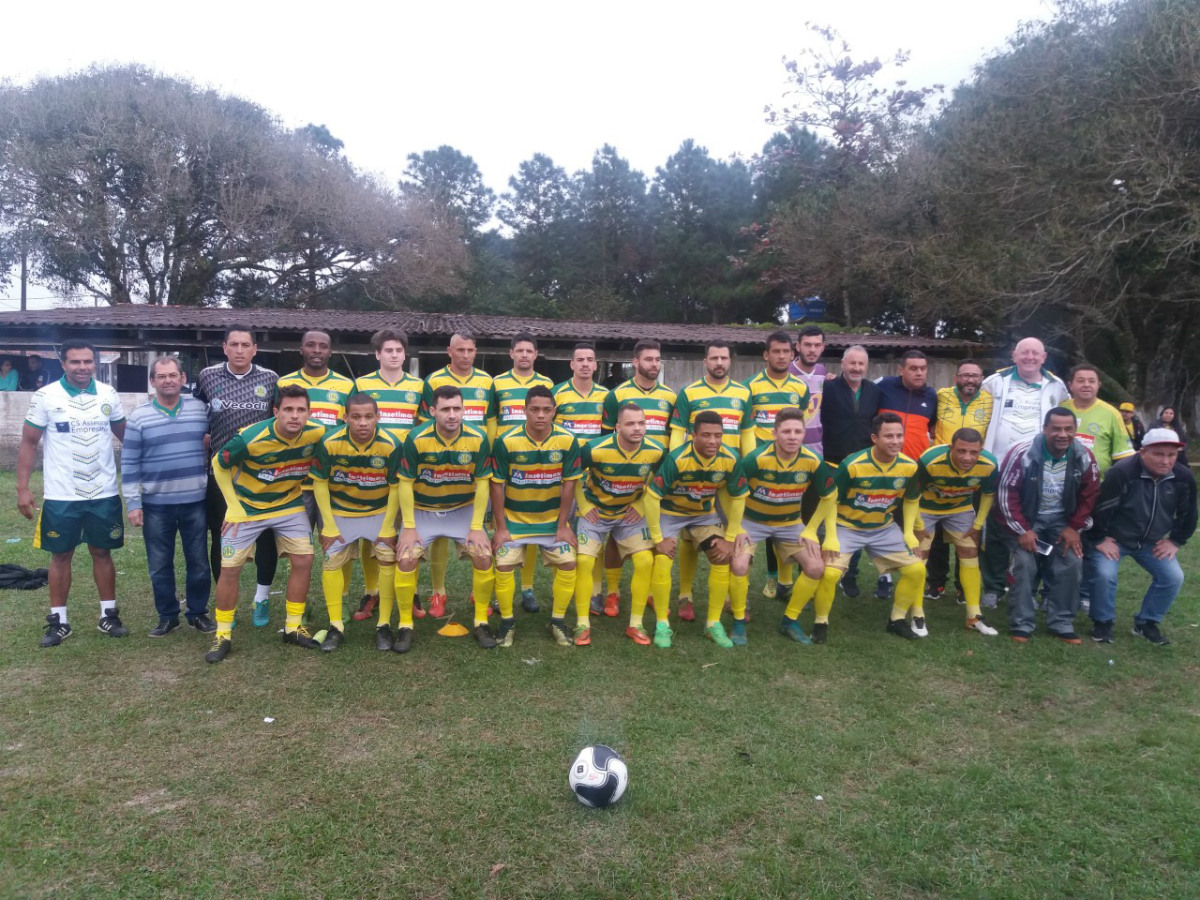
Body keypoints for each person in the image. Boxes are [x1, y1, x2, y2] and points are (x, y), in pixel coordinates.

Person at [17, 340, 128, 647]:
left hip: (102, 491)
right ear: (63, 363)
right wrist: (23, 488)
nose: (82, 367)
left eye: (88, 362)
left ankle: (109, 616)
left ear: (96, 363)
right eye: (75, 362)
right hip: (62, 494)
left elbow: (128, 437)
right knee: (61, 555)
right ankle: (59, 622)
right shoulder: (46, 396)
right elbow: (28, 443)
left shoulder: (108, 394)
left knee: (101, 552)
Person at [205, 385, 327, 663]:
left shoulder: (317, 433)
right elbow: (218, 464)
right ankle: (222, 634)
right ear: (276, 412)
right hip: (247, 507)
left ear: (309, 413)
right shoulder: (250, 438)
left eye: (301, 410)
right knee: (230, 568)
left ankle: (293, 627)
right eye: (288, 410)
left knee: (304, 560)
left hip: (288, 503)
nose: (295, 416)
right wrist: (233, 508)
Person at [394, 386, 497, 650]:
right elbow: (404, 483)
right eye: (445, 409)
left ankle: (480, 622)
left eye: (457, 409)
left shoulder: (477, 437)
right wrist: (408, 527)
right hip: (423, 509)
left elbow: (483, 482)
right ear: (432, 411)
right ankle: (405, 625)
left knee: (483, 555)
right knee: (405, 560)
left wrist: (476, 526)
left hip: (461, 509)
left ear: (464, 409)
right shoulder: (416, 438)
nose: (452, 415)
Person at [810, 413, 926, 642]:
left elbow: (912, 499)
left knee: (917, 570)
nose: (895, 441)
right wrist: (831, 535)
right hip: (846, 526)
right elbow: (831, 499)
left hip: (883, 528)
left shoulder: (910, 466)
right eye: (889, 436)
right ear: (874, 438)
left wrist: (909, 532)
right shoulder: (852, 464)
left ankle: (897, 620)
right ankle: (820, 622)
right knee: (831, 573)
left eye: (899, 436)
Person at [121, 356, 214, 636]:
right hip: (155, 505)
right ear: (152, 382)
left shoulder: (201, 411)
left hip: (195, 502)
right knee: (160, 565)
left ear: (183, 378)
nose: (168, 380)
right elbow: (129, 462)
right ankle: (167, 615)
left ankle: (198, 613)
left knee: (198, 561)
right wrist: (133, 503)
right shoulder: (139, 417)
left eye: (173, 375)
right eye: (161, 376)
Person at [728, 409, 837, 645]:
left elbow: (830, 495)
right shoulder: (756, 458)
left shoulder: (812, 460)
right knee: (738, 564)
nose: (792, 436)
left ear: (804, 434)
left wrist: (810, 529)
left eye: (798, 431)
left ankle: (790, 620)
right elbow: (732, 491)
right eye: (786, 431)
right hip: (752, 522)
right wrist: (735, 527)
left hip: (790, 524)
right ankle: (738, 621)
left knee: (817, 567)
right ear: (774, 433)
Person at [195, 325, 279, 626]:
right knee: (223, 535)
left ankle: (261, 598)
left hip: (261, 474)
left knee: (267, 536)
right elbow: (196, 410)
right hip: (222, 473)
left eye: (246, 344)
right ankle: (224, 597)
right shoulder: (207, 376)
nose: (240, 350)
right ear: (225, 347)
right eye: (234, 344)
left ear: (255, 349)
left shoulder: (270, 379)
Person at [995, 407, 1100, 644]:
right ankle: (1021, 624)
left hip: (1063, 522)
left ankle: (1061, 622)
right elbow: (1005, 494)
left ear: (1075, 430)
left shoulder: (1084, 456)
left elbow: (1090, 495)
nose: (1062, 434)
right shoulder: (1023, 453)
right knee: (1024, 564)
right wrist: (1023, 530)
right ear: (1045, 429)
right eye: (1056, 429)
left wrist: (1074, 527)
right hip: (1027, 520)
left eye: (1068, 429)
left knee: (1072, 562)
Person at [645, 411, 748, 649]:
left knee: (722, 557)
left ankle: (713, 624)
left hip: (703, 516)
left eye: (718, 436)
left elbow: (739, 498)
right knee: (663, 557)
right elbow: (651, 498)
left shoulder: (731, 458)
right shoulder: (677, 458)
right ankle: (662, 623)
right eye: (706, 435)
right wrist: (658, 538)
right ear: (693, 436)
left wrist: (730, 538)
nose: (713, 441)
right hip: (670, 514)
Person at [978, 337, 1069, 607]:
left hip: (1038, 471)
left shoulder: (1057, 386)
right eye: (1024, 352)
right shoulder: (994, 382)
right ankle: (993, 587)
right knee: (993, 530)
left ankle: (1034, 587)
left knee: (1036, 528)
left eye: (1035, 353)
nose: (1030, 357)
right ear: (1014, 355)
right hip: (996, 468)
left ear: (1044, 357)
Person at [1086, 428, 1197, 646]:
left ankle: (1146, 623)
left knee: (1173, 577)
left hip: (1152, 543)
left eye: (1171, 455)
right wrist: (1099, 538)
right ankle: (1103, 622)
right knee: (1104, 573)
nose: (1166, 461)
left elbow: (1189, 513)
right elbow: (1101, 508)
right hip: (1115, 539)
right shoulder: (1123, 472)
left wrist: (1176, 541)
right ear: (1142, 452)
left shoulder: (1183, 476)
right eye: (1159, 454)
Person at [668, 341, 753, 622]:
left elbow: (748, 433)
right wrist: (676, 467)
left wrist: (749, 467)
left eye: (724, 358)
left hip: (729, 476)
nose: (719, 362)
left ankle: (732, 595)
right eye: (714, 357)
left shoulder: (743, 392)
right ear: (705, 361)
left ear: (730, 361)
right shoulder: (689, 392)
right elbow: (678, 433)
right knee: (690, 538)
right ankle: (686, 595)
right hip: (696, 474)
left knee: (734, 533)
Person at [490, 385, 581, 648]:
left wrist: (563, 525)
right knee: (504, 564)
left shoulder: (567, 440)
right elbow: (497, 485)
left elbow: (569, 484)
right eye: (535, 410)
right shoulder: (507, 441)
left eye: (547, 410)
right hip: (515, 520)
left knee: (568, 562)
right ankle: (507, 622)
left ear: (554, 411)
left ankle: (557, 621)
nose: (541, 415)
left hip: (551, 521)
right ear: (524, 411)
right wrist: (500, 527)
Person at [310, 393, 401, 652]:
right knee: (331, 563)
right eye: (356, 417)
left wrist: (387, 527)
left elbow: (395, 487)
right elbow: (320, 483)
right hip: (341, 513)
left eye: (369, 417)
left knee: (387, 560)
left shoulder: (391, 443)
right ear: (345, 417)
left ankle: (383, 624)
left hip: (379, 512)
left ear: (378, 417)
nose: (363, 423)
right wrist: (328, 524)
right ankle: (336, 625)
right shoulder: (330, 442)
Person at [573, 403, 665, 646]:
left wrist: (642, 505)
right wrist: (583, 506)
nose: (637, 428)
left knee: (646, 560)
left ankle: (636, 624)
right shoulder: (594, 449)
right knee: (583, 561)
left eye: (641, 423)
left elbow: (659, 481)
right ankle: (582, 623)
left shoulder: (656, 451)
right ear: (617, 427)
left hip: (628, 514)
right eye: (630, 423)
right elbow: (570, 475)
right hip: (595, 512)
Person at [350, 328, 425, 620]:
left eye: (399, 351)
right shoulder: (362, 384)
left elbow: (423, 426)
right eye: (388, 351)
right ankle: (372, 592)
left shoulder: (418, 386)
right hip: (371, 470)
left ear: (404, 354)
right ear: (378, 354)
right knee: (373, 534)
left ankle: (412, 590)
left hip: (406, 473)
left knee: (407, 532)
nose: (394, 355)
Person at [422, 330, 497, 615]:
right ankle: (438, 592)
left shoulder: (486, 380)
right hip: (441, 461)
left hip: (474, 461)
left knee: (479, 530)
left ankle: (479, 594)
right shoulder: (434, 380)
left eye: (470, 350)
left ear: (475, 352)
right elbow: (425, 419)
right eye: (460, 350)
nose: (466, 355)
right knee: (439, 531)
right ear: (449, 352)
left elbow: (490, 419)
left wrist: (487, 452)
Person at [601, 339, 678, 616]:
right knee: (615, 536)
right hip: (624, 477)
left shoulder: (670, 396)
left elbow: (674, 438)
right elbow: (607, 437)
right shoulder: (617, 395)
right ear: (635, 362)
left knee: (656, 533)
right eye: (648, 359)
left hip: (657, 479)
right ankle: (612, 592)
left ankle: (648, 591)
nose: (654, 364)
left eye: (657, 359)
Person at [745, 330, 811, 603]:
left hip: (789, 467)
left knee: (785, 518)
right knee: (755, 521)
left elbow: (801, 426)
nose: (782, 356)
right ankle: (756, 582)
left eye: (787, 352)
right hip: (760, 467)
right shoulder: (750, 387)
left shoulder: (800, 388)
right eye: (777, 351)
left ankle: (784, 581)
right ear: (766, 355)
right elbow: (746, 427)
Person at [913, 429, 999, 636]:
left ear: (981, 450)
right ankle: (917, 614)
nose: (967, 457)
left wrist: (978, 525)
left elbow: (988, 495)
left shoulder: (989, 464)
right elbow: (911, 494)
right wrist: (917, 524)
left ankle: (974, 616)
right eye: (961, 451)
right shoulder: (929, 460)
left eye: (973, 452)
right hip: (925, 508)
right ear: (951, 448)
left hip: (959, 508)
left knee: (970, 552)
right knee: (919, 555)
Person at [493, 333, 555, 614]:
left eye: (529, 351)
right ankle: (497, 586)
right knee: (502, 524)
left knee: (531, 524)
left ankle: (527, 587)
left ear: (536, 354)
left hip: (535, 464)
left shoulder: (547, 384)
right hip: (507, 460)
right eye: (519, 351)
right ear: (511, 354)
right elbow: (492, 418)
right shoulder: (498, 383)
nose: (524, 355)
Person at [871, 350, 937, 602]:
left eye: (923, 368)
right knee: (880, 521)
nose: (919, 372)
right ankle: (883, 577)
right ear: (901, 370)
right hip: (883, 469)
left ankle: (915, 574)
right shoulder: (884, 386)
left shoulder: (932, 396)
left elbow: (932, 428)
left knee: (910, 524)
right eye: (913, 368)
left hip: (914, 471)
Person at [926, 360, 993, 601]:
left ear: (981, 378)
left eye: (975, 376)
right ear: (956, 378)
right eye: (965, 375)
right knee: (936, 533)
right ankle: (936, 583)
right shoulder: (941, 396)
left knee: (966, 533)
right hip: (941, 469)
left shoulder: (989, 400)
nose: (970, 380)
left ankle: (963, 586)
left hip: (973, 471)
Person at [553, 343, 612, 616]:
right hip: (564, 476)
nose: (586, 364)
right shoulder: (559, 394)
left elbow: (609, 434)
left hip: (596, 475)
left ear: (596, 365)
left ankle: (595, 591)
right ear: (572, 364)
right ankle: (562, 586)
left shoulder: (606, 396)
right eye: (580, 359)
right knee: (561, 531)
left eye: (590, 359)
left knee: (594, 533)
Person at [820, 345, 881, 599]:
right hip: (831, 463)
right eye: (852, 363)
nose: (856, 368)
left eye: (861, 364)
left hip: (861, 466)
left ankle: (849, 574)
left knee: (855, 520)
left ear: (866, 367)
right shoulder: (828, 388)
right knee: (826, 522)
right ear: (842, 364)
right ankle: (822, 571)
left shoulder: (874, 391)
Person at [1062, 364, 1134, 476]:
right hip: (1060, 481)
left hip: (1097, 485)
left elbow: (1123, 455)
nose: (1086, 385)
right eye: (1080, 381)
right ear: (1070, 385)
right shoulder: (1059, 409)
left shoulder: (1111, 413)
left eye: (1091, 381)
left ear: (1098, 385)